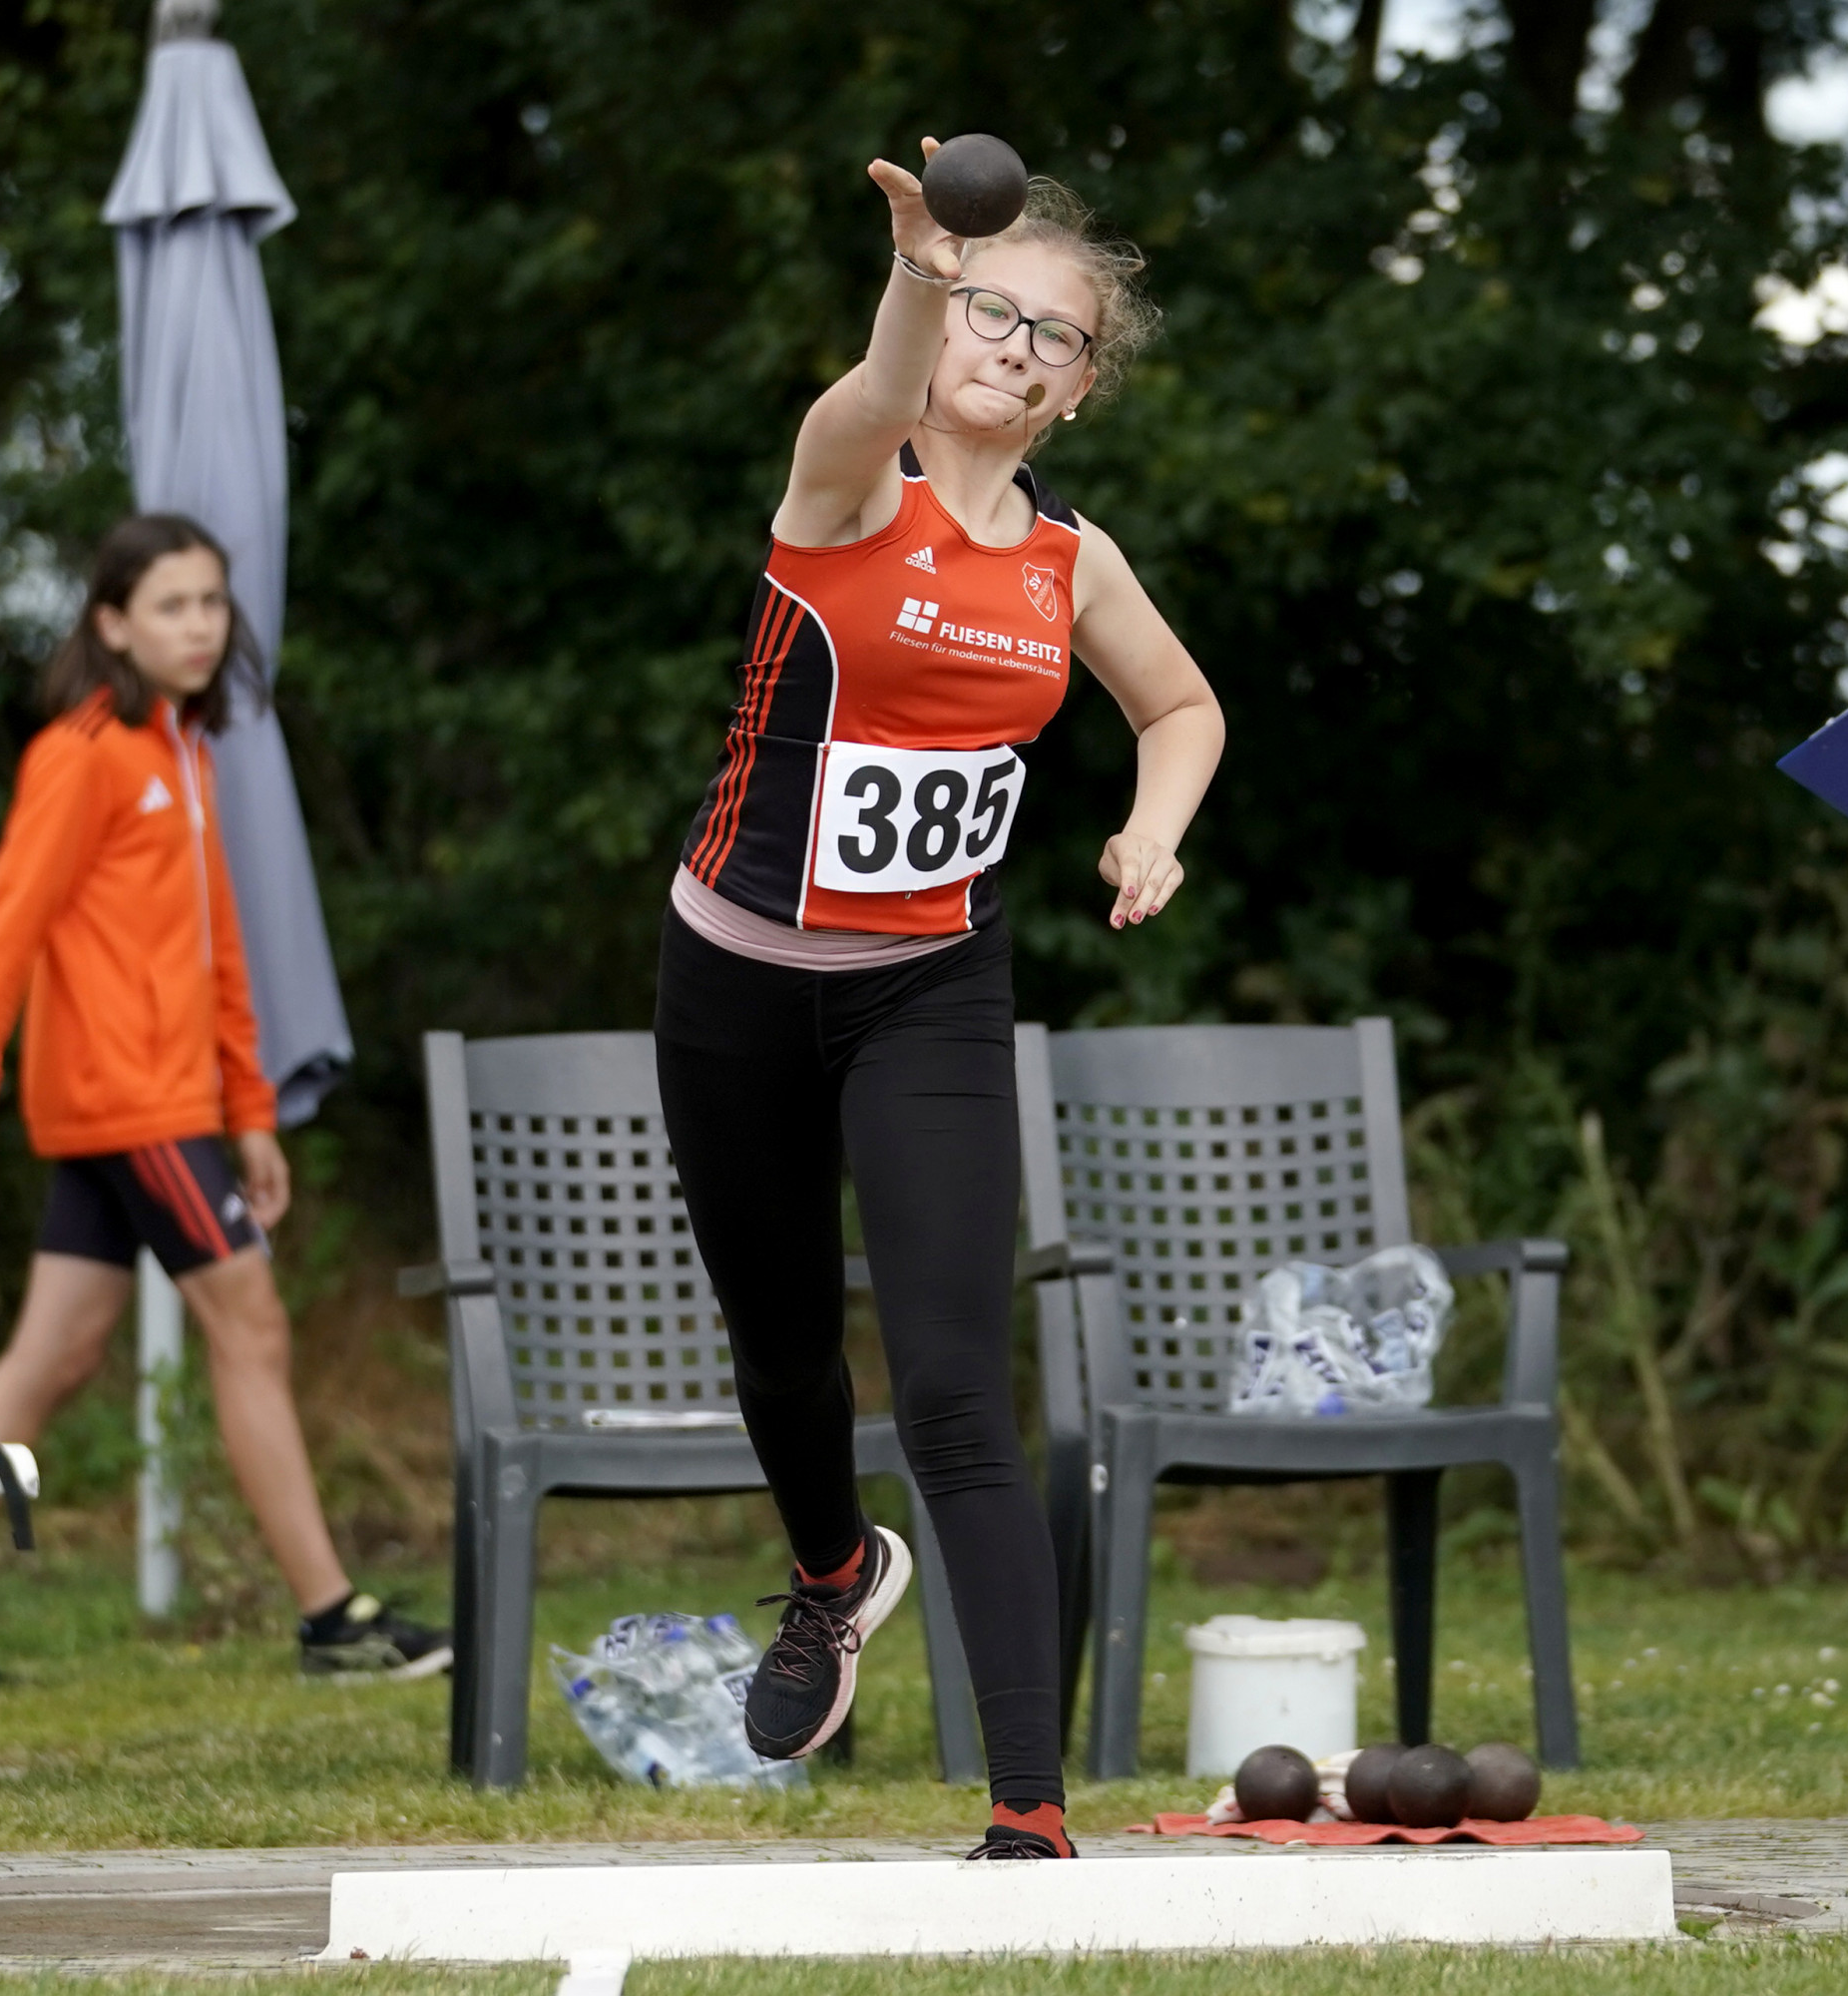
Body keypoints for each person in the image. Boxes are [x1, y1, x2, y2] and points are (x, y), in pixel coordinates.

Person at [656, 144, 1223, 1858]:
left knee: (963, 1385)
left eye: (1053, 335)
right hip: (736, 978)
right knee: (779, 1348)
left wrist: (1153, 827)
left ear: (1079, 387)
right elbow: (872, 386)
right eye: (994, 312)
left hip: (932, 995)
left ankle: (1032, 1813)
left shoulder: (1073, 560)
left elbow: (1182, 707)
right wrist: (918, 267)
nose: (1014, 347)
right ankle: (832, 1580)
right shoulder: (846, 484)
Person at [0, 514, 447, 1692]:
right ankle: (333, 1618)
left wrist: (252, 1105)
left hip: (168, 1100)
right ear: (111, 622)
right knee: (251, 1320)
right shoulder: (80, 753)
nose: (200, 625)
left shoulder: (185, 750)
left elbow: (217, 951)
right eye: (171, 604)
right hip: (130, 1104)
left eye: (212, 602)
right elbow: (1, 938)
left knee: (48, 1354)